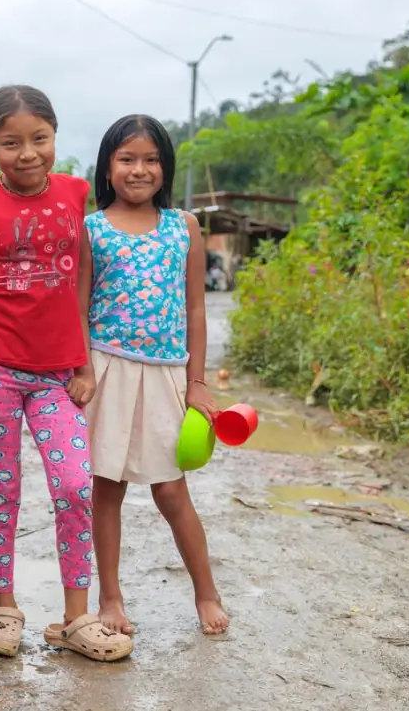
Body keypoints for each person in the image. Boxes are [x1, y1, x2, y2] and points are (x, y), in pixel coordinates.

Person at [0, 85, 133, 662]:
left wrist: (81, 362)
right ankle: (3, 606)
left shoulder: (76, 194)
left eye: (39, 139)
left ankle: (75, 617)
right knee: (0, 489)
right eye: (11, 143)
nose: (27, 153)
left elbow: (82, 285)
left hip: (59, 378)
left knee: (77, 487)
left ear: (55, 137)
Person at [84, 114, 229, 637]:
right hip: (107, 370)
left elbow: (194, 309)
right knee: (107, 488)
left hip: (168, 372)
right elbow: (79, 309)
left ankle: (206, 593)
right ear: (107, 167)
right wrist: (82, 370)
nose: (139, 169)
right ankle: (110, 598)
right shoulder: (91, 228)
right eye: (126, 159)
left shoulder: (183, 227)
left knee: (171, 491)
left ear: (166, 168)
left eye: (150, 159)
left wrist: (197, 381)